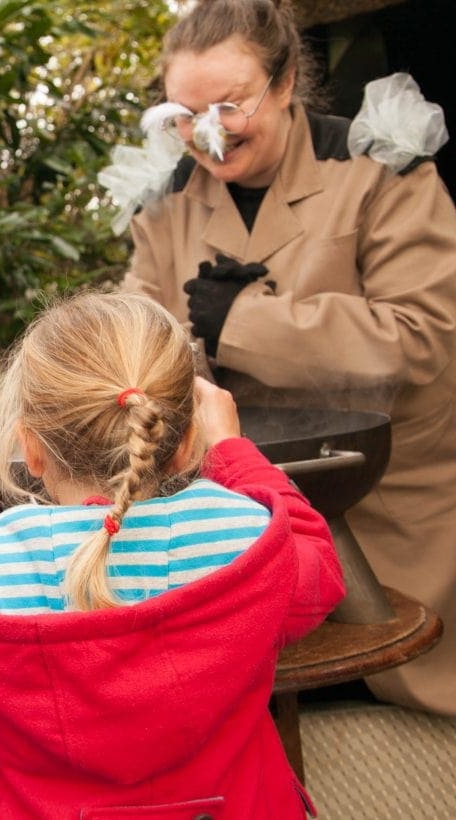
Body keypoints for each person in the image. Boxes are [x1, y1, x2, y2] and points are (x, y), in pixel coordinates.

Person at [113, 0, 456, 717]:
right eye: (185, 112)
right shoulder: (166, 205)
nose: (208, 133)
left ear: (287, 80)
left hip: (386, 503)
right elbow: (132, 344)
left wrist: (242, 322)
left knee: (400, 691)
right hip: (234, 515)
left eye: (231, 105)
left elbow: (426, 336)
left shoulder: (376, 170)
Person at [0, 291, 344, 819]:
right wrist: (231, 449)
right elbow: (318, 576)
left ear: (32, 448)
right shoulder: (244, 538)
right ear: (184, 446)